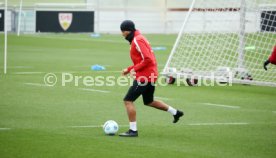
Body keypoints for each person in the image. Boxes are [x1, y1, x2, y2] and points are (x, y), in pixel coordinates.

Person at [119, 20, 184, 137]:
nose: (121, 34)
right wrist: (129, 69)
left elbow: (148, 59)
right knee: (149, 101)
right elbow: (142, 60)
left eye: (122, 31)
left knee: (128, 101)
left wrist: (134, 69)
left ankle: (133, 131)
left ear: (127, 31)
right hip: (149, 75)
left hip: (145, 76)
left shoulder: (137, 40)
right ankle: (175, 112)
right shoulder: (138, 38)